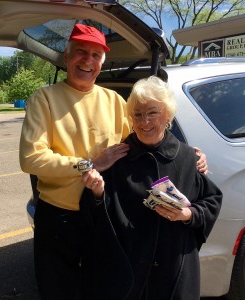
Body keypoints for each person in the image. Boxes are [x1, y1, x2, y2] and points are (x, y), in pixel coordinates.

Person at [19, 24, 207, 299]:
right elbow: (30, 158)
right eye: (81, 52)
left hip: (104, 217)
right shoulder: (44, 98)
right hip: (61, 218)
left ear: (102, 62)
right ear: (67, 56)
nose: (88, 60)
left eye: (96, 55)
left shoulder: (115, 101)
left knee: (102, 288)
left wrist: (187, 153)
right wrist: (88, 164)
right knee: (59, 290)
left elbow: (142, 142)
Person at [80, 76, 223, 300]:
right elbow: (97, 218)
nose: (144, 121)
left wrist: (188, 214)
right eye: (137, 114)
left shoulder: (186, 157)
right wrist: (97, 194)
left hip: (175, 269)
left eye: (152, 112)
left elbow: (211, 200)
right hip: (129, 272)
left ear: (167, 115)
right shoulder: (118, 158)